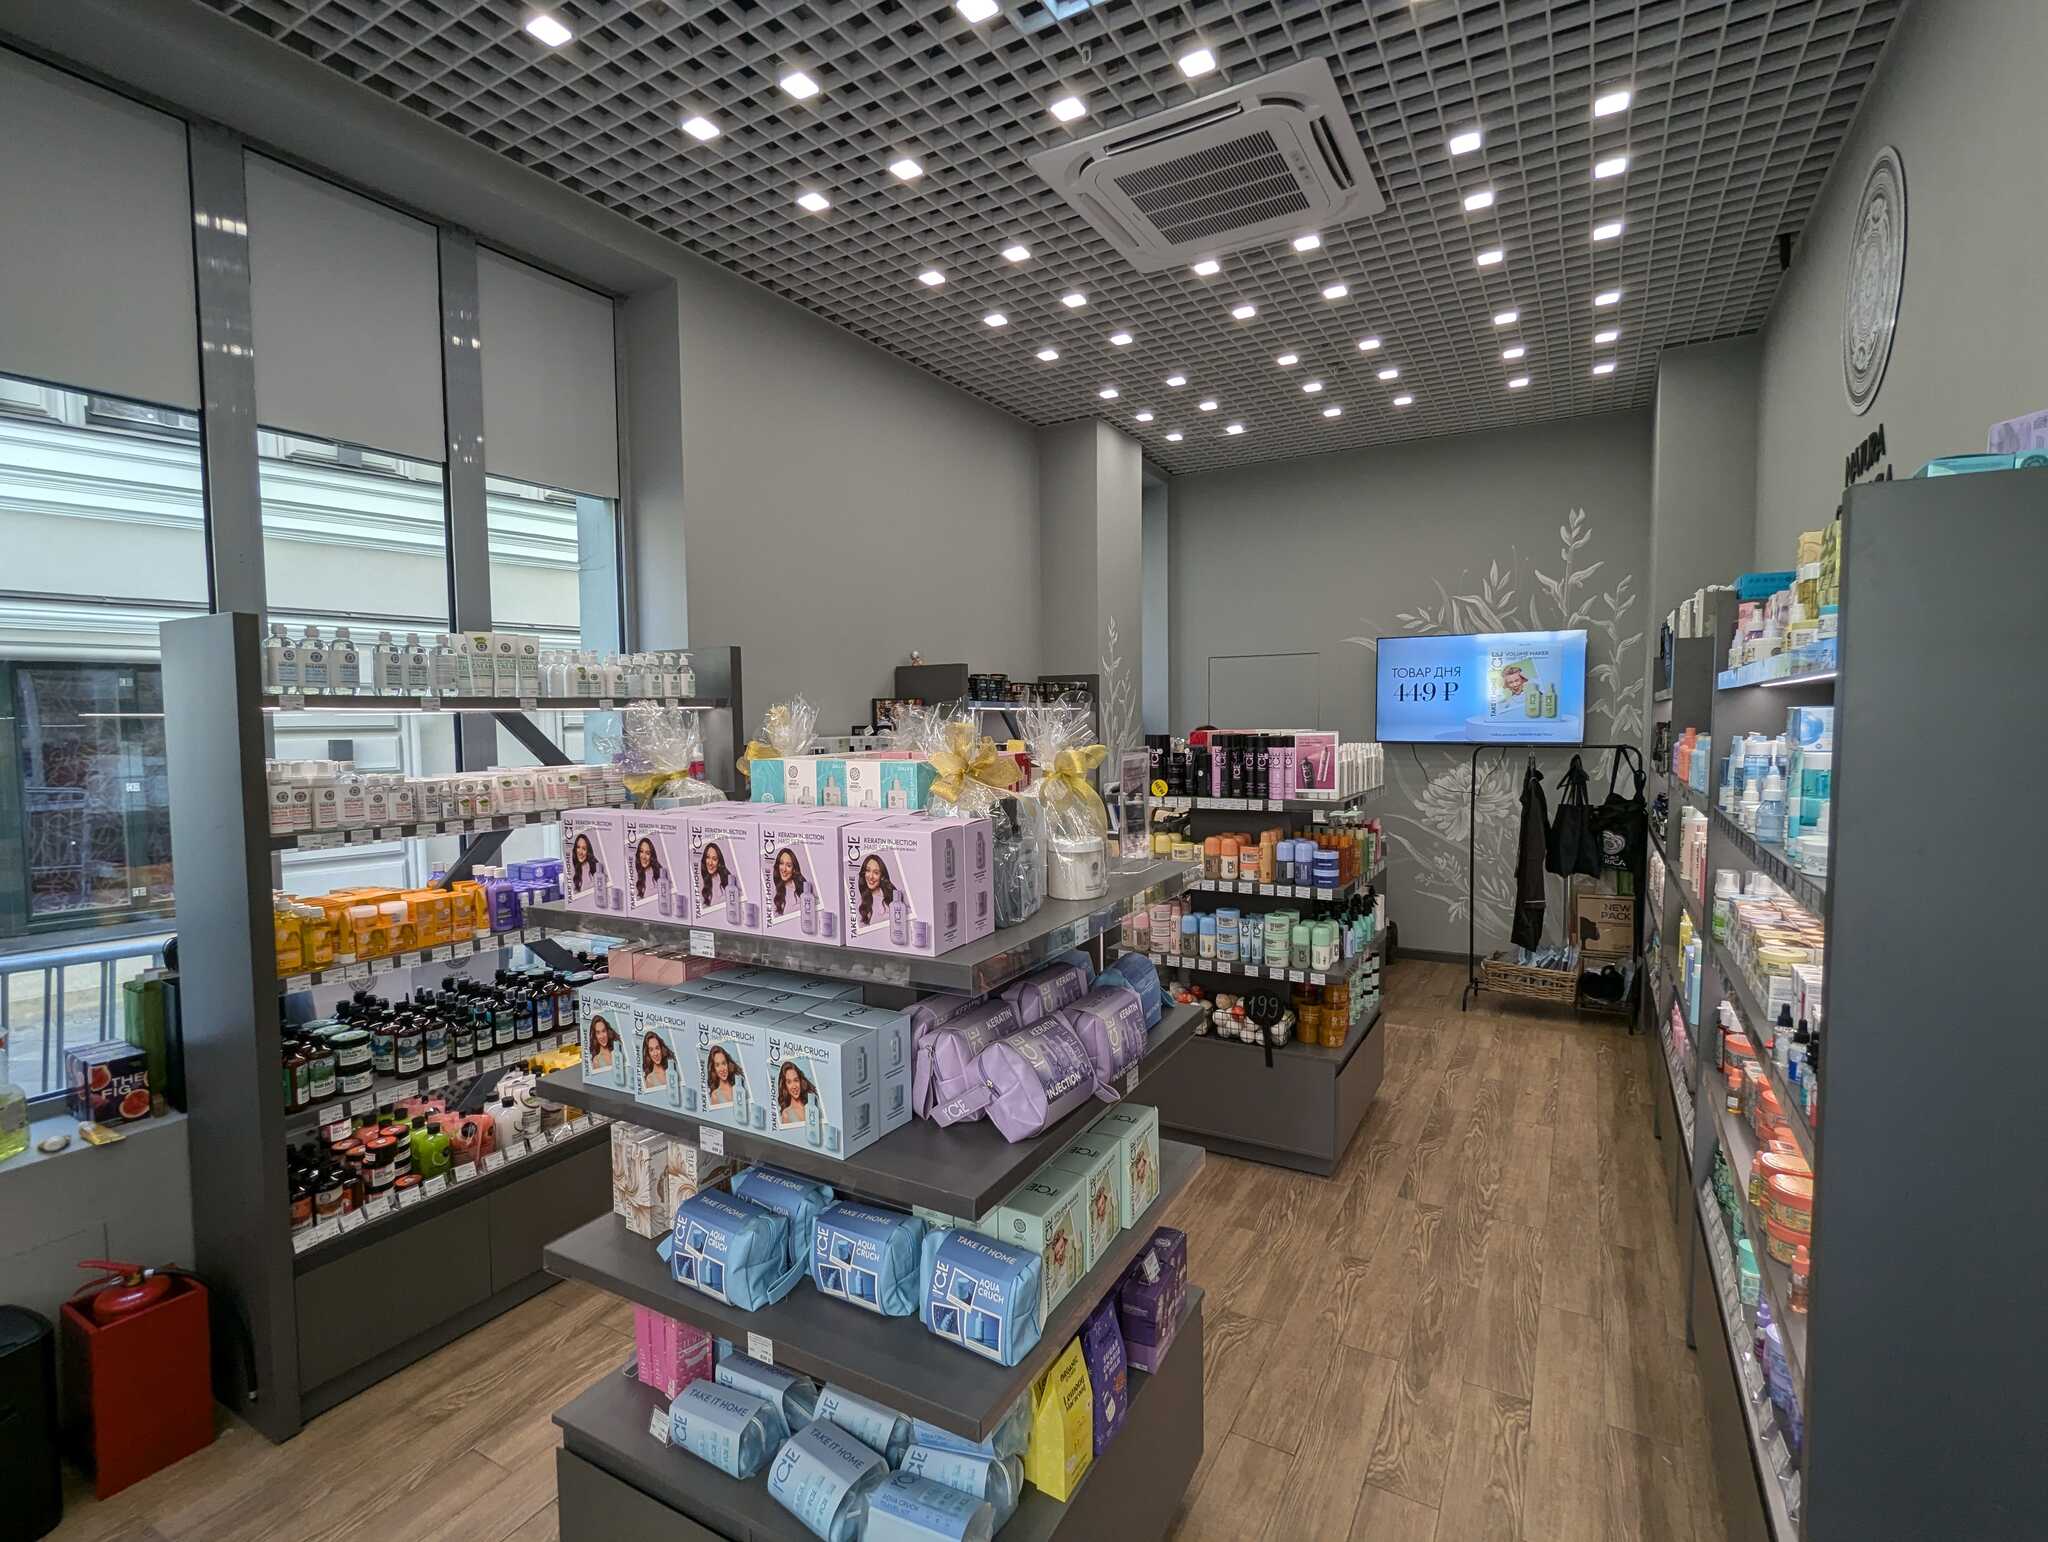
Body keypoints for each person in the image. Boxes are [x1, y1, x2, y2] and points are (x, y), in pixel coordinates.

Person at [855, 853, 897, 928]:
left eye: (876, 873)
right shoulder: (861, 905)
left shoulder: (895, 895)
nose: (871, 877)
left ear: (882, 876)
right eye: (868, 870)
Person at [777, 1059, 818, 1127]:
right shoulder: (786, 1114)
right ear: (785, 1086)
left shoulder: (812, 1107)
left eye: (796, 1080)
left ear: (800, 1081)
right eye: (789, 1082)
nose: (794, 1086)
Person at [770, 846, 808, 917]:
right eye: (781, 863)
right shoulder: (776, 896)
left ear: (794, 869)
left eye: (788, 865)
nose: (784, 869)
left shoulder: (804, 886)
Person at [699, 841, 732, 909]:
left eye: (714, 859)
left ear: (719, 862)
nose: (710, 863)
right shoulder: (701, 883)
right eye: (707, 857)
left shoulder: (728, 880)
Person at [705, 1044, 740, 1108]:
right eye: (717, 1065)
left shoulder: (739, 1088)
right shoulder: (715, 1096)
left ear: (728, 1064)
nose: (722, 1069)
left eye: (724, 1063)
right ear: (714, 1069)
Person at [632, 836, 664, 902]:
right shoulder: (637, 877)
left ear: (652, 856)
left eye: (647, 853)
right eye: (641, 851)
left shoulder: (661, 874)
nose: (644, 857)